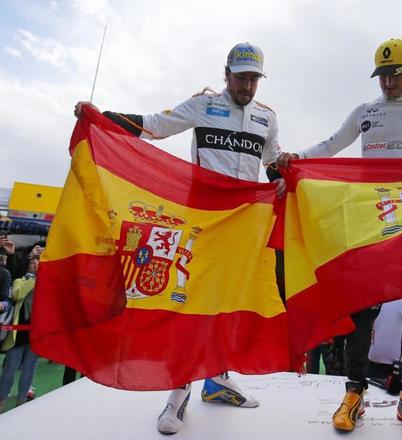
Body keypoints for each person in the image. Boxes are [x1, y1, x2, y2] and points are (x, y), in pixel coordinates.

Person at [75, 42, 284, 435]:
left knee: (230, 302)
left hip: (243, 226)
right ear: (227, 73)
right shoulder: (204, 105)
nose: (247, 85)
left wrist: (290, 178)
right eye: (241, 77)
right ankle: (178, 391)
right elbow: (155, 124)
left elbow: (273, 163)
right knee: (192, 301)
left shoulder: (267, 118)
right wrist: (101, 118)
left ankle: (217, 379)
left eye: (254, 79)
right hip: (201, 220)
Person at [279, 38, 402, 440]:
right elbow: (331, 145)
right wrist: (294, 157)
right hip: (372, 217)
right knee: (362, 306)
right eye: (383, 76)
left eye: (395, 74)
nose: (388, 82)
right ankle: (354, 392)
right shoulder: (365, 112)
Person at [0, 256, 40, 412]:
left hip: (35, 334)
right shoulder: (20, 281)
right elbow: (17, 294)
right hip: (17, 335)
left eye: (38, 262)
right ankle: (2, 398)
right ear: (27, 266)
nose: (36, 264)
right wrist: (33, 280)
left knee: (29, 368)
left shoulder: (46, 283)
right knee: (10, 368)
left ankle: (22, 399)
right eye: (32, 262)